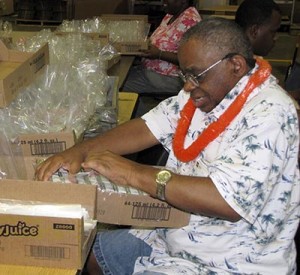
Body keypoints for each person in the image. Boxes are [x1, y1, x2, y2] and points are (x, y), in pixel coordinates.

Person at [36, 17, 300, 274]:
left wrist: (132, 173)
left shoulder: (270, 112)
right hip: (175, 235)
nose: (187, 85)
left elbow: (226, 201)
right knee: (84, 252)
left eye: (196, 75)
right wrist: (81, 150)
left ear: (236, 65)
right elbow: (148, 125)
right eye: (185, 74)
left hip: (229, 261)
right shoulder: (203, 93)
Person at [122, 0, 201, 116]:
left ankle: (148, 122)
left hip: (171, 77)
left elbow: (192, 60)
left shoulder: (191, 21)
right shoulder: (171, 15)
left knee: (119, 86)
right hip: (151, 70)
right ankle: (148, 119)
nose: (163, 1)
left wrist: (159, 54)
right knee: (121, 78)